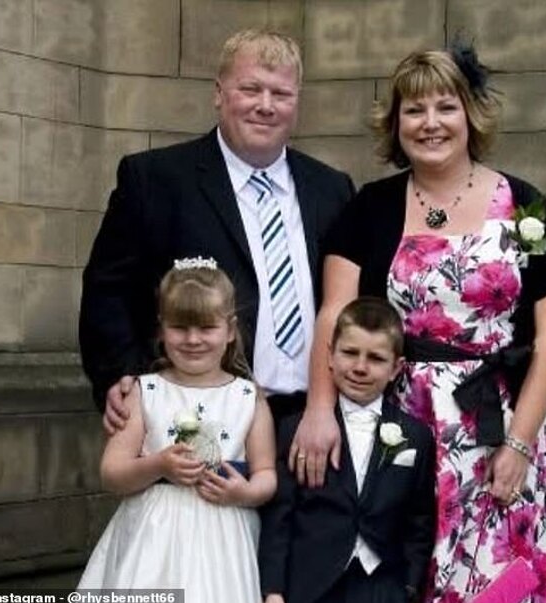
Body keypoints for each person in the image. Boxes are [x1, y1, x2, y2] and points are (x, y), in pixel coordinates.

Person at [294, 44, 546, 603]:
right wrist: (319, 409)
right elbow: (334, 315)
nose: (430, 123)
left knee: (502, 579)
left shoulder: (526, 207)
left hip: (501, 423)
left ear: (470, 114)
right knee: (403, 570)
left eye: (445, 107)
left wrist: (520, 444)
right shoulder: (369, 208)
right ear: (395, 123)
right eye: (414, 110)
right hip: (403, 424)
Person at [79, 29, 355, 433]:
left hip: (312, 424)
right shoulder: (154, 180)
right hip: (193, 418)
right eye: (250, 89)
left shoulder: (332, 189)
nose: (265, 106)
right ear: (218, 93)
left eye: (280, 94)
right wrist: (122, 377)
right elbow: (108, 291)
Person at [78, 258, 276, 603]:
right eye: (180, 328)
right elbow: (112, 472)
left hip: (224, 538)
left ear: (230, 330)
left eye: (207, 327)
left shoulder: (249, 398)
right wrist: (158, 465)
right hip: (152, 539)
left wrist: (244, 493)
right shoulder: (144, 391)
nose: (193, 339)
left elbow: (266, 474)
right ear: (161, 329)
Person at [259, 297, 435, 603]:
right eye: (350, 353)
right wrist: (273, 591)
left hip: (384, 589)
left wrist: (409, 586)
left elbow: (419, 521)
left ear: (396, 368)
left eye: (376, 358)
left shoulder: (416, 436)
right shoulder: (296, 429)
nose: (360, 367)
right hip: (310, 588)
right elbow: (279, 518)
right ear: (329, 355)